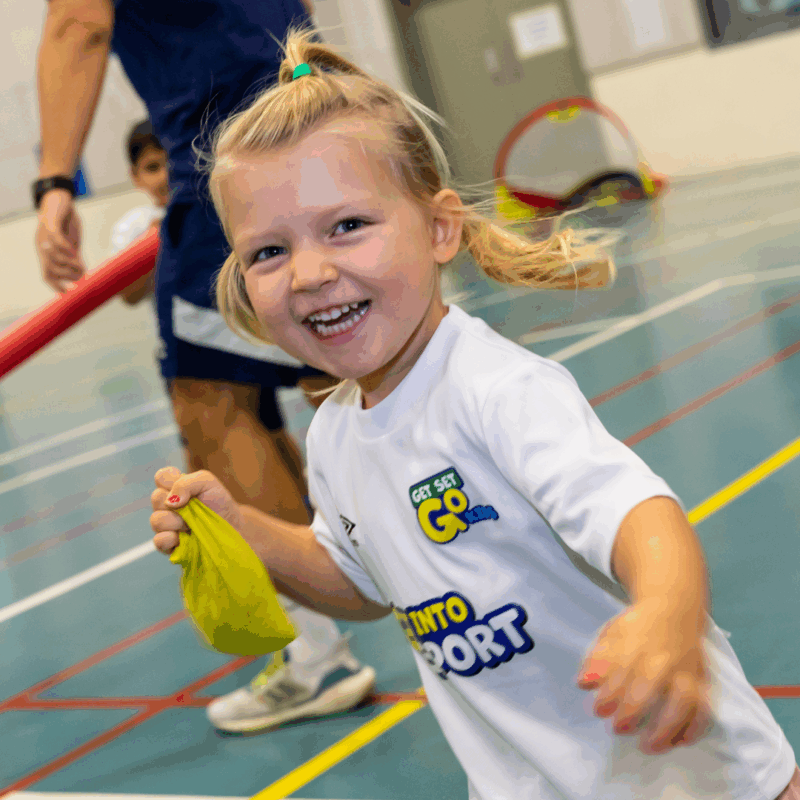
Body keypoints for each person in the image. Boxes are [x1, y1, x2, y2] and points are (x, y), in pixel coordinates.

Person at [149, 29, 800, 798]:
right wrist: (244, 528)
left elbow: (641, 515)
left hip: (694, 778)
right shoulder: (334, 435)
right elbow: (363, 583)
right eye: (268, 252)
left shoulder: (495, 390)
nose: (312, 274)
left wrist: (666, 613)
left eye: (347, 226)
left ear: (439, 228)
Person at [32, 0, 374, 733]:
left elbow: (77, 25)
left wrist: (54, 182)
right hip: (315, 121)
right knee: (348, 381)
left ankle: (317, 654)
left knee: (212, 405)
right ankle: (472, 572)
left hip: (228, 156)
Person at [110, 120, 168, 305]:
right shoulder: (133, 225)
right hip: (180, 331)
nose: (165, 175)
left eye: (172, 163)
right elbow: (128, 296)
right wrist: (153, 246)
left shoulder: (216, 208)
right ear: (136, 176)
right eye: (152, 167)